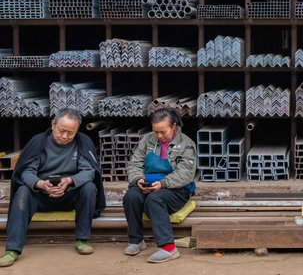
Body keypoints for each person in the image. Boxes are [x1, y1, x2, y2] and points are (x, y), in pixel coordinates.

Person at [0, 108, 106, 267]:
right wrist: (40, 184)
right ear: (52, 124)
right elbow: (26, 171)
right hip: (41, 194)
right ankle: (12, 249)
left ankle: (82, 239)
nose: (65, 136)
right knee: (23, 191)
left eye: (71, 133)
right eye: (61, 131)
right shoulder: (38, 142)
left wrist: (70, 180)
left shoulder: (82, 142)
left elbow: (89, 171)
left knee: (89, 187)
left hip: (69, 192)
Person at [123, 109, 197, 263]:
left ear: (174, 126)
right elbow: (134, 164)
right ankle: (136, 241)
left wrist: (162, 183)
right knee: (131, 196)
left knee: (155, 199)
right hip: (149, 185)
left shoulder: (186, 144)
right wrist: (138, 180)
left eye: (163, 132)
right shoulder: (147, 140)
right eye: (155, 131)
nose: (159, 136)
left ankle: (169, 248)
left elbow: (185, 174)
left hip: (176, 189)